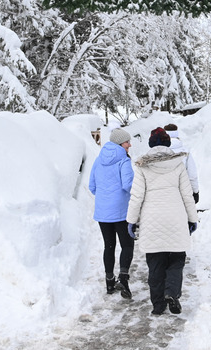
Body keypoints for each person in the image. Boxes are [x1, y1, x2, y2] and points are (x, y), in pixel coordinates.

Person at [126, 127, 199, 315]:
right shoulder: (178, 164)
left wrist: (131, 221)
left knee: (156, 263)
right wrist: (192, 218)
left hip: (152, 219)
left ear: (151, 145)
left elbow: (136, 196)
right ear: (167, 144)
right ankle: (172, 293)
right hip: (176, 217)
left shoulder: (143, 166)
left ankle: (158, 304)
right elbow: (187, 195)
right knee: (176, 259)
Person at [88, 127, 135, 298]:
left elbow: (92, 186)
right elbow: (128, 185)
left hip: (102, 211)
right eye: (127, 141)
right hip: (121, 211)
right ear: (120, 143)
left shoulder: (98, 160)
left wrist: (104, 198)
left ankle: (109, 282)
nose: (130, 144)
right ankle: (123, 277)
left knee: (109, 246)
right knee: (127, 245)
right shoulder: (124, 160)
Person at [163, 124, 199, 204]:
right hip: (182, 191)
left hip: (164, 192)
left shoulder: (159, 152)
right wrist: (195, 191)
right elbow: (192, 174)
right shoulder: (185, 152)